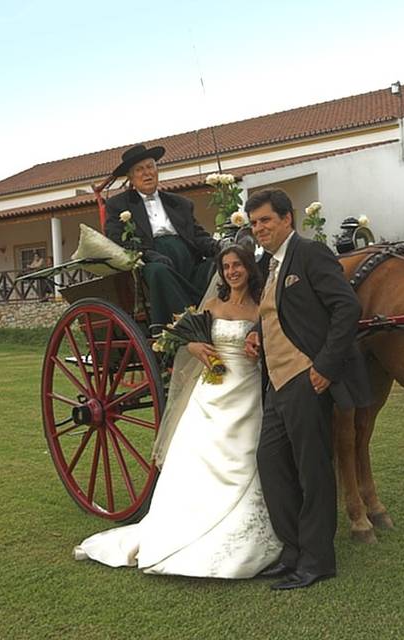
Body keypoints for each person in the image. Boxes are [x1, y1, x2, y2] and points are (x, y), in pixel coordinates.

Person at [74, 245, 282, 578]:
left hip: (247, 391)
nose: (232, 271)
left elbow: (273, 344)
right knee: (197, 452)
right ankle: (185, 523)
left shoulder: (260, 309)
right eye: (226, 266)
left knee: (248, 454)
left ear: (248, 269)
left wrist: (257, 346)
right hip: (211, 391)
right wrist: (194, 346)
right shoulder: (212, 305)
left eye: (237, 265)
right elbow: (187, 340)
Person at [244, 189, 371, 591]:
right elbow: (275, 311)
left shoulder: (311, 254)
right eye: (253, 223)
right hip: (276, 382)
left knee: (312, 469)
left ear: (287, 218)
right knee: (270, 463)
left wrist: (325, 367)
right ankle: (293, 551)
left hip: (306, 376)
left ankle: (318, 561)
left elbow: (346, 308)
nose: (259, 229)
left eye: (265, 220)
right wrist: (254, 334)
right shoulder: (269, 265)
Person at [104, 143, 218, 331]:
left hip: (187, 258)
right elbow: (117, 239)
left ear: (157, 170)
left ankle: (216, 316)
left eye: (150, 167)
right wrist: (148, 255)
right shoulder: (118, 204)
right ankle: (187, 326)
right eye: (139, 170)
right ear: (131, 177)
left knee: (219, 265)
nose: (146, 173)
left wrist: (219, 247)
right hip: (150, 260)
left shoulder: (179, 203)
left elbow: (198, 237)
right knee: (158, 271)